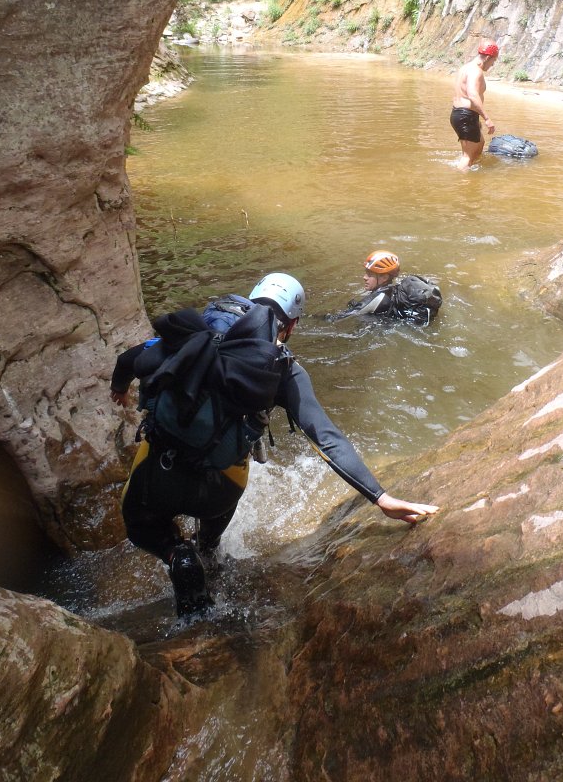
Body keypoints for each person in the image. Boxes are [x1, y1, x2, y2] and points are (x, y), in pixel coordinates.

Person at [110, 272, 438, 617]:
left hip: (161, 468)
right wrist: (381, 498)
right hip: (221, 488)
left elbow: (128, 361)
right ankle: (208, 559)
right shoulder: (283, 368)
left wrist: (119, 388)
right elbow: (325, 437)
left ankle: (177, 554)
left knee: (140, 523)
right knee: (213, 532)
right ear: (291, 325)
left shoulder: (196, 338)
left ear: (250, 303)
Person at [341, 251, 442, 323]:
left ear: (384, 277)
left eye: (370, 275)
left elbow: (343, 316)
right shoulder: (391, 290)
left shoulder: (379, 297)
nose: (364, 277)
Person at [450, 39, 500, 170]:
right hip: (465, 116)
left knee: (480, 143)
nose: (492, 65)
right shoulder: (476, 71)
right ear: (488, 57)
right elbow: (472, 94)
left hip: (463, 114)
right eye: (493, 61)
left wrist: (476, 118)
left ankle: (472, 171)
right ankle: (464, 186)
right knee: (467, 157)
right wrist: (487, 118)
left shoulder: (465, 68)